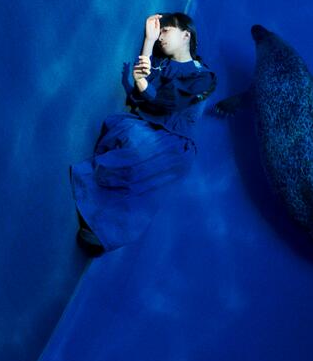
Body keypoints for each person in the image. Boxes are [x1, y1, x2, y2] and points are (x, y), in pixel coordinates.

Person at [69, 13, 217, 256]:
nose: (161, 38)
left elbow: (166, 101)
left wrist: (141, 83)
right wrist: (148, 42)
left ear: (186, 35)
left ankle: (107, 230)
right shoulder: (161, 64)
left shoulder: (203, 75)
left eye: (166, 31)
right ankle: (100, 222)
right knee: (129, 136)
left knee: (141, 154)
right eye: (160, 34)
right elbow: (142, 93)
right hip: (146, 128)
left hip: (174, 142)